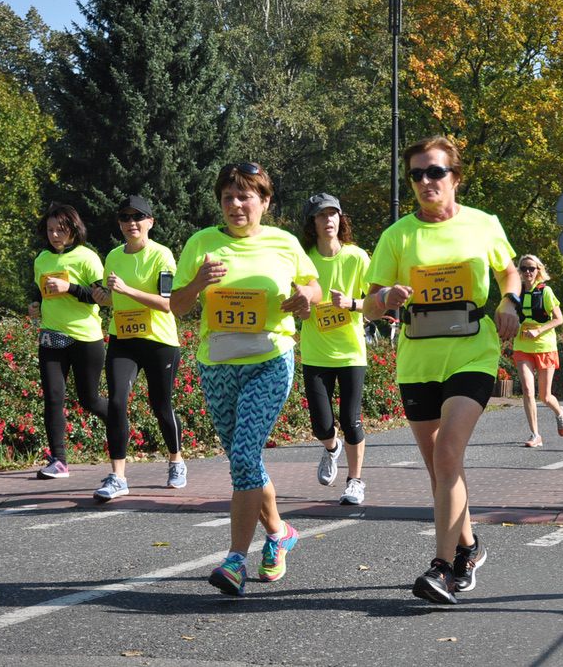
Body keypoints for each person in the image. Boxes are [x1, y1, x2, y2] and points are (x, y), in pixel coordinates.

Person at [363, 136, 519, 605]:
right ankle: (468, 547)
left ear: (456, 177)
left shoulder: (483, 224)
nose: (425, 181)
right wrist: (386, 297)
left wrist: (509, 300)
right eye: (416, 174)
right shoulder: (397, 236)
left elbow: (509, 271)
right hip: (418, 361)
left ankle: (443, 568)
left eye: (435, 172)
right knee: (440, 467)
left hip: (472, 353)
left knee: (448, 452)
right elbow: (368, 305)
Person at [171, 162, 321, 596]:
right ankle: (279, 533)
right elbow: (176, 306)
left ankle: (235, 560)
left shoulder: (283, 242)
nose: (236, 205)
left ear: (265, 202)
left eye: (245, 197)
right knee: (244, 461)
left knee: (243, 455)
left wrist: (305, 298)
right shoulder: (201, 242)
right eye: (228, 198)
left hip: (269, 360)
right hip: (217, 363)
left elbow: (312, 287)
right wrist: (197, 282)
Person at [89, 196, 186, 501]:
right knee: (117, 402)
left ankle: (176, 459)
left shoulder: (162, 255)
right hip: (123, 339)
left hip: (159, 341)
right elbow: (112, 297)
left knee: (161, 405)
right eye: (125, 218)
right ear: (119, 224)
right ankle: (118, 477)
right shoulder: (113, 256)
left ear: (150, 222)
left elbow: (168, 303)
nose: (131, 223)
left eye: (138, 217)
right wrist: (102, 297)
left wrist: (126, 289)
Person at [298, 192, 372, 505]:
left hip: (351, 353)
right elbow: (294, 305)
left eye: (333, 214)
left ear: (340, 219)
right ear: (312, 222)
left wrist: (352, 303)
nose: (328, 220)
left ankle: (355, 481)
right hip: (316, 353)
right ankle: (331, 448)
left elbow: (377, 303)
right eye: (321, 215)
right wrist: (301, 308)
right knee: (321, 425)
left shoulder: (357, 257)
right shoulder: (303, 259)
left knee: (351, 420)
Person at [29, 203, 109, 479]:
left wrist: (70, 288)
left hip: (85, 337)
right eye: (50, 230)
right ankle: (59, 460)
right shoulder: (42, 259)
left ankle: (117, 421)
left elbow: (101, 297)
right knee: (52, 397)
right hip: (51, 336)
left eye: (60, 230)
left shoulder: (87, 257)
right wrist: (35, 305)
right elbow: (39, 291)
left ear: (74, 229)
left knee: (89, 400)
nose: (54, 235)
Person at [512, 254, 563, 447]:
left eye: (531, 268)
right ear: (519, 271)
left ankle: (560, 412)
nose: (528, 272)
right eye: (524, 268)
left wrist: (538, 331)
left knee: (545, 396)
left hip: (545, 346)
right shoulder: (516, 292)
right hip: (522, 345)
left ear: (538, 271)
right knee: (528, 390)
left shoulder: (545, 291)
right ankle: (535, 435)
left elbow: (559, 319)